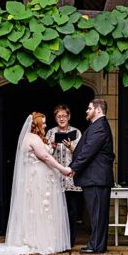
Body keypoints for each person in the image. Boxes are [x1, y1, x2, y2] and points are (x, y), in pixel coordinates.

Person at [0, 112, 72, 255]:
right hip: (37, 180)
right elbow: (45, 157)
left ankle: (42, 239)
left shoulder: (37, 138)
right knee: (37, 208)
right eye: (43, 123)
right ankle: (37, 241)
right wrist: (63, 169)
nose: (45, 125)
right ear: (36, 125)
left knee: (41, 209)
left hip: (43, 180)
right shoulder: (33, 138)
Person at [69, 98, 115, 254]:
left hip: (97, 178)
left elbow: (88, 151)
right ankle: (96, 244)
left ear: (98, 110)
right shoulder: (96, 126)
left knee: (97, 214)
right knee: (96, 213)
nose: (87, 111)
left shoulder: (99, 127)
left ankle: (96, 246)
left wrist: (72, 168)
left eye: (89, 108)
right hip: (95, 178)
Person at [45, 105, 83, 247]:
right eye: (58, 116)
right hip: (55, 177)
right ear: (55, 118)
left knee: (71, 211)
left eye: (64, 116)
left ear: (69, 116)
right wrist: (52, 147)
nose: (62, 119)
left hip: (70, 178)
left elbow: (82, 154)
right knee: (55, 210)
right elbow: (45, 154)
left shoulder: (76, 132)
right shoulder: (50, 133)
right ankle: (57, 240)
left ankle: (70, 241)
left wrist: (70, 146)